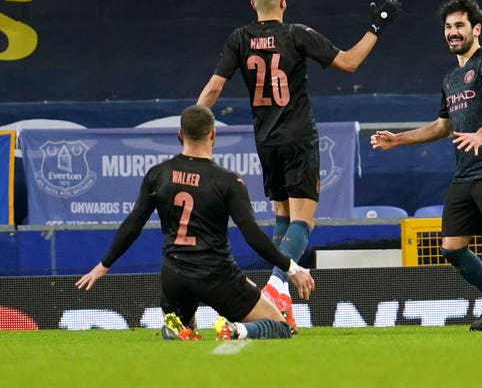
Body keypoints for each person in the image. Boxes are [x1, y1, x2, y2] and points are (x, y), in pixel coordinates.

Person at [197, 0, 401, 332]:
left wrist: (194, 135)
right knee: (303, 221)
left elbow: (213, 89)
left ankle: (283, 301)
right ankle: (276, 289)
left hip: (266, 141)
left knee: (281, 216)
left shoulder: (239, 39)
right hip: (299, 138)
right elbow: (350, 63)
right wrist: (377, 26)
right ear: (284, 2)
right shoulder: (297, 34)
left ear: (252, 5)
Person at [370, 0, 482, 332]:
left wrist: (481, 134)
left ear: (476, 28)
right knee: (451, 248)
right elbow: (442, 127)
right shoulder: (451, 79)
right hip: (466, 173)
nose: (453, 32)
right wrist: (399, 139)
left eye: (459, 26)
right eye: (448, 27)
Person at [76, 105, 315, 341]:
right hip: (217, 277)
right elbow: (252, 236)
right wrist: (291, 268)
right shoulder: (228, 181)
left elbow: (133, 224)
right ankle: (235, 331)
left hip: (174, 276)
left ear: (180, 135)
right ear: (213, 134)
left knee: (182, 330)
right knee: (280, 327)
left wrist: (104, 264)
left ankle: (175, 328)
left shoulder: (158, 174)